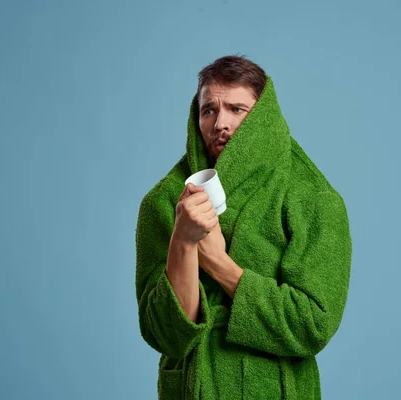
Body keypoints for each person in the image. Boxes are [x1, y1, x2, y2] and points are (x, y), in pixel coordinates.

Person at [135, 55, 352, 399]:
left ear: (262, 119)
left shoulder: (311, 197)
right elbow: (164, 336)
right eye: (209, 110)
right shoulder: (163, 202)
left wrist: (219, 264)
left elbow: (312, 325)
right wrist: (184, 243)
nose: (220, 122)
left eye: (237, 109)